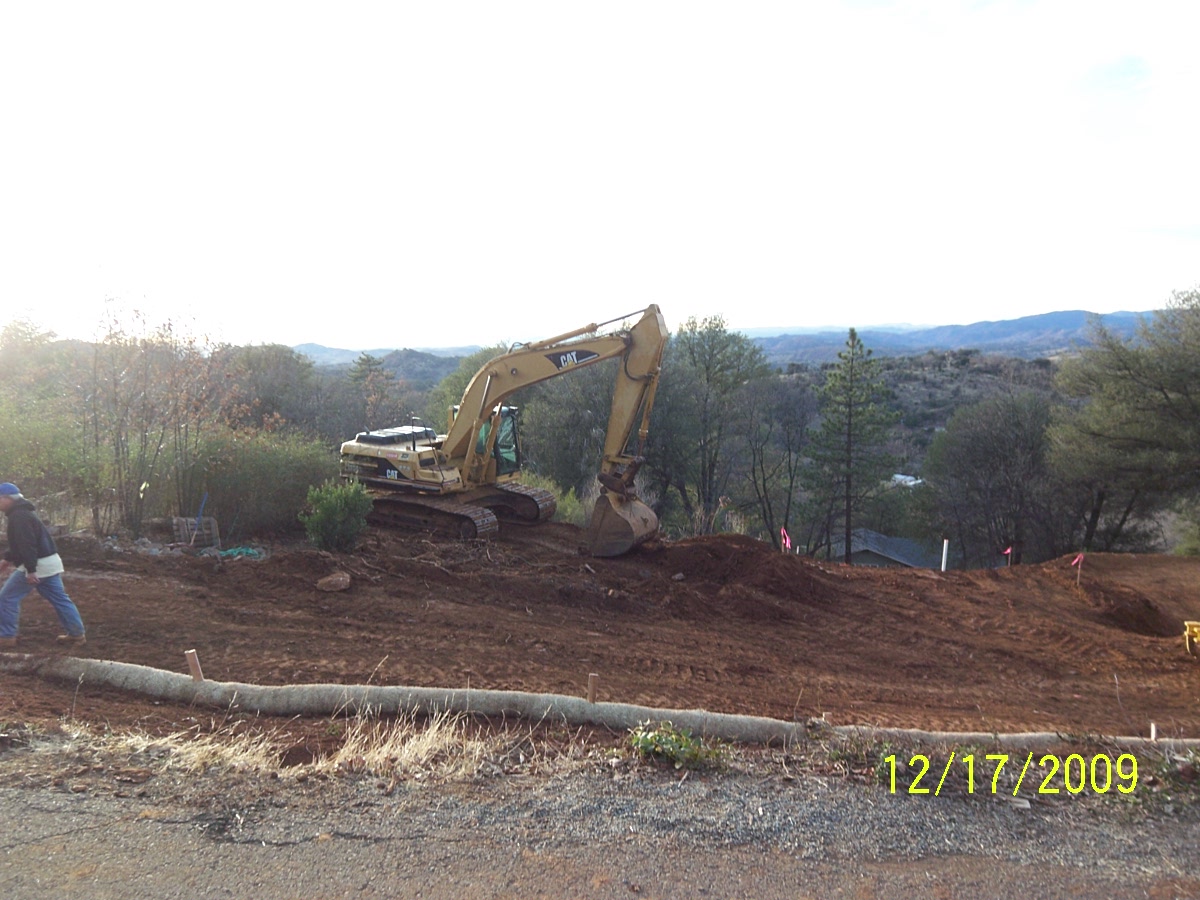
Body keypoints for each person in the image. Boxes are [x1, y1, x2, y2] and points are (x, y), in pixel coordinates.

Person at [0, 482, 86, 648]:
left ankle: (6, 637)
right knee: (60, 599)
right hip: (50, 563)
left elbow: (27, 545)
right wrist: (7, 559)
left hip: (37, 565)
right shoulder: (23, 513)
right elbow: (20, 543)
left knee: (6, 598)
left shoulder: (19, 517)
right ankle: (77, 635)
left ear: (8, 498)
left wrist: (31, 570)